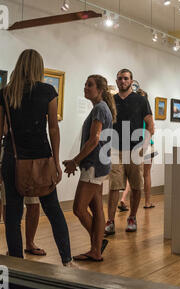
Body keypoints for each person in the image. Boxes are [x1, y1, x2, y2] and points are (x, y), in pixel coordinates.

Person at [0, 49, 72, 266]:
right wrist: (56, 161)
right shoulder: (47, 91)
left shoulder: (6, 93)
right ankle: (66, 260)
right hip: (42, 158)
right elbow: (53, 130)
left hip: (12, 158)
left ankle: (16, 263)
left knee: (13, 215)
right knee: (53, 210)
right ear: (38, 67)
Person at [63, 75, 115, 262]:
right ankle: (96, 249)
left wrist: (74, 161)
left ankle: (96, 244)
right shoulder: (101, 108)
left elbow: (94, 140)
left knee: (79, 208)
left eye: (90, 85)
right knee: (97, 208)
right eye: (85, 84)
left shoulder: (100, 109)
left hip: (94, 165)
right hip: (98, 164)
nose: (85, 87)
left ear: (100, 90)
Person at [105, 69, 154, 235]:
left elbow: (150, 124)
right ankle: (110, 221)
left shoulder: (141, 101)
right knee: (113, 187)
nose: (122, 81)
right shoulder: (111, 100)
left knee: (136, 186)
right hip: (115, 149)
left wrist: (144, 146)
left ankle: (132, 217)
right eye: (119, 79)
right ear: (117, 81)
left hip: (135, 149)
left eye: (125, 78)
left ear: (131, 81)